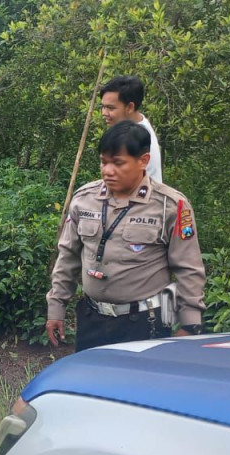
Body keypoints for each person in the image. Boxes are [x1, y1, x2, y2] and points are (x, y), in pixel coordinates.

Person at [46, 121, 205, 352]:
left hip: (145, 323)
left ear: (143, 161)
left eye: (118, 163)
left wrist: (190, 326)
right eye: (103, 162)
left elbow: (189, 269)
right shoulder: (84, 199)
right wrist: (56, 306)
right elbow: (68, 256)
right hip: (92, 319)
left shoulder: (170, 206)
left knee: (141, 386)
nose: (108, 171)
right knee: (91, 384)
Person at [99, 75, 162, 183]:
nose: (104, 113)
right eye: (103, 107)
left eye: (110, 108)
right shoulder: (128, 129)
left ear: (130, 107)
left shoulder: (139, 137)